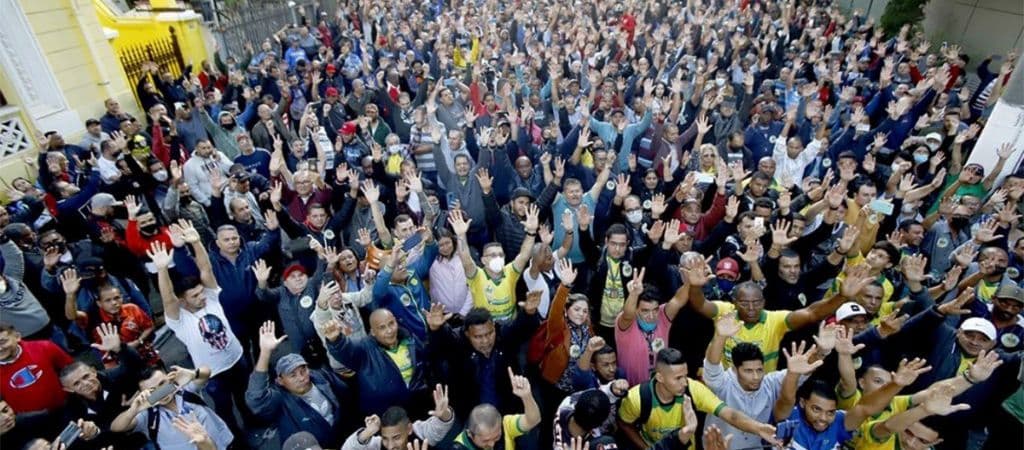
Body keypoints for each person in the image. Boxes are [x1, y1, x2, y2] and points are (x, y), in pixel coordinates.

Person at [617, 348, 779, 450]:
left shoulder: (693, 390)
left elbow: (730, 414)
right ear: (660, 377)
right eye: (678, 378)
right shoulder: (637, 398)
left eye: (685, 376)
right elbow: (624, 423)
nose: (684, 382)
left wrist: (758, 428)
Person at [245, 321, 352, 446]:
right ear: (280, 381)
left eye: (303, 370)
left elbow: (346, 394)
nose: (301, 378)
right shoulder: (280, 401)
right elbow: (255, 398)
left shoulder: (320, 377)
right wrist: (265, 353)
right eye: (292, 375)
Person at [450, 367, 542, 449]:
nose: (492, 444)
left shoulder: (506, 424)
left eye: (497, 437)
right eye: (485, 440)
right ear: (470, 434)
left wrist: (527, 396)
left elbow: (533, 420)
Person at [342, 384, 455, 450]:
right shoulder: (377, 444)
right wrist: (367, 432)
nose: (390, 446)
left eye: (396, 437)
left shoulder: (421, 433)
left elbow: (441, 424)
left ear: (409, 429)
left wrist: (444, 413)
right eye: (386, 438)